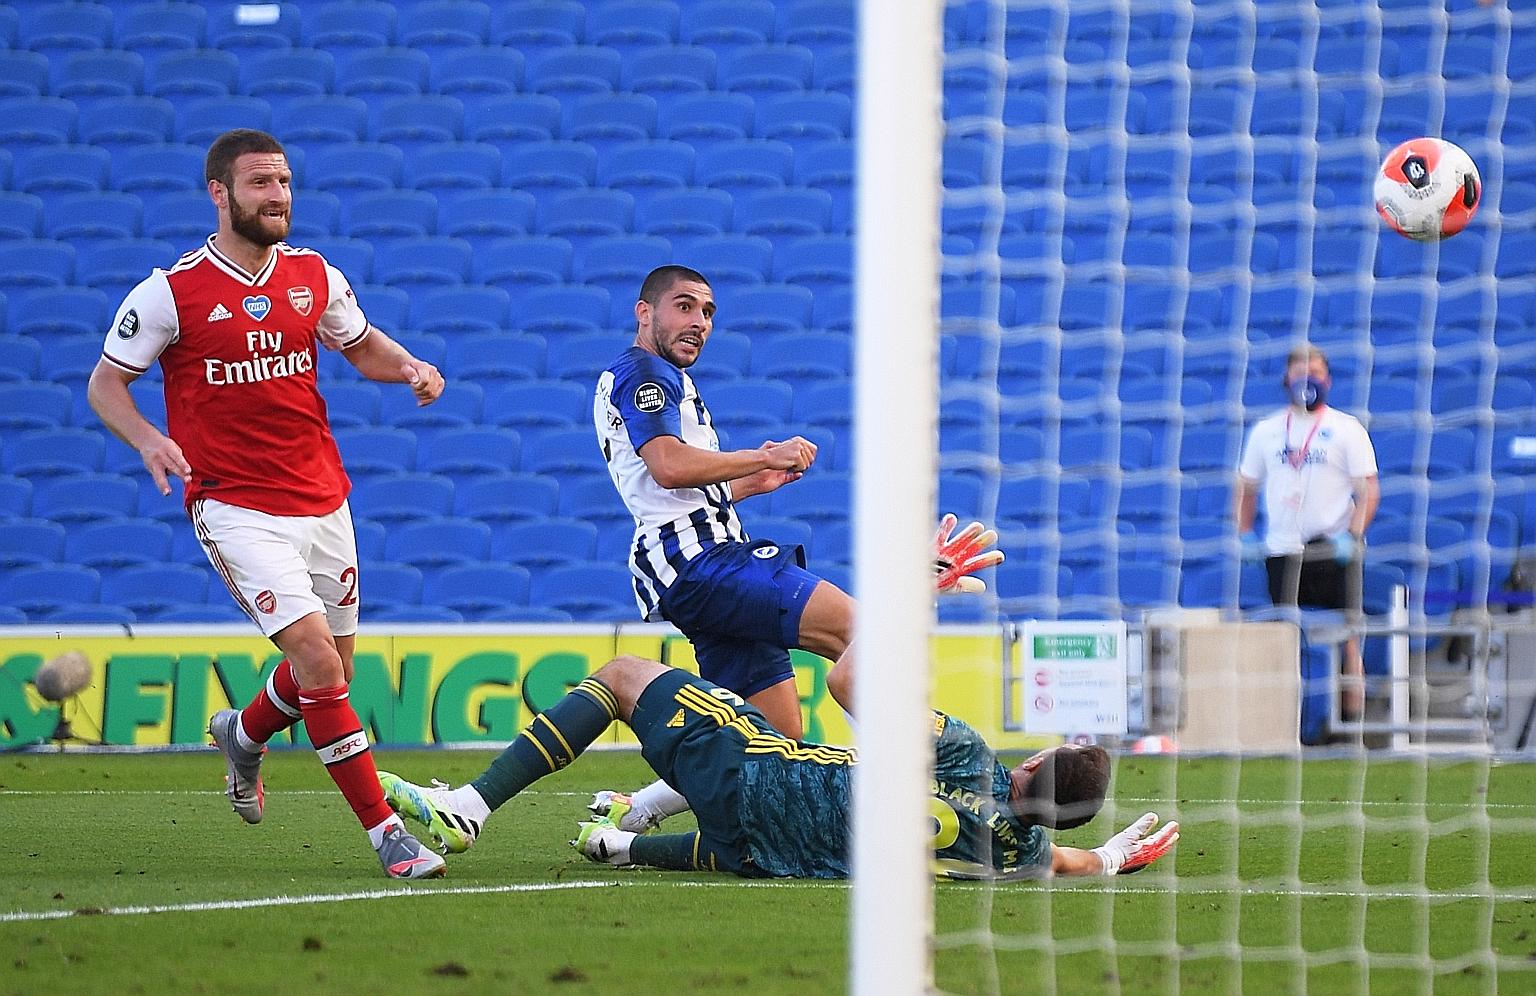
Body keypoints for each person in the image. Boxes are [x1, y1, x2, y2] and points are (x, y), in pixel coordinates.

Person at [86, 128, 448, 880]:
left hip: (324, 498)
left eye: (283, 182)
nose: (278, 196)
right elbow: (105, 384)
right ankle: (386, 835)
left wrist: (408, 365)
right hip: (235, 504)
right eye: (260, 184)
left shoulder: (314, 275)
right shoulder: (170, 292)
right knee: (316, 660)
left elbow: (360, 345)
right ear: (219, 193)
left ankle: (242, 736)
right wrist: (150, 441)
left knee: (329, 677)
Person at [590, 264, 1002, 827]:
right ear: (645, 312)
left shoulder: (657, 380)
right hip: (704, 562)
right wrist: (764, 456)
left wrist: (745, 485)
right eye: (684, 306)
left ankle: (634, 812)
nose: (699, 322)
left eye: (708, 312)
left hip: (693, 563)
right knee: (865, 637)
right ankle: (927, 797)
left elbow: (671, 489)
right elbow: (668, 467)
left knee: (775, 740)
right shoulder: (645, 375)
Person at [376, 653, 1179, 880]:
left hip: (758, 776)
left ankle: (473, 807)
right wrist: (1107, 858)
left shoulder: (967, 754)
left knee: (626, 679)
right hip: (761, 855)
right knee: (744, 744)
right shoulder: (1021, 851)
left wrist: (911, 590)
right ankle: (626, 835)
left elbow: (848, 679)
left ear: (1033, 759)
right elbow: (1069, 856)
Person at [1235, 343, 1380, 721]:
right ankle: (1284, 721)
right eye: (1300, 371)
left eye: (1315, 371)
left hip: (1332, 547)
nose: (1307, 379)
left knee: (1348, 635)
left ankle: (1353, 724)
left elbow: (1369, 489)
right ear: (1286, 379)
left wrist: (1353, 534)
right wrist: (1245, 533)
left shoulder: (1346, 428)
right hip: (1283, 549)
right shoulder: (1266, 432)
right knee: (1283, 638)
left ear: (1327, 379)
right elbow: (1246, 487)